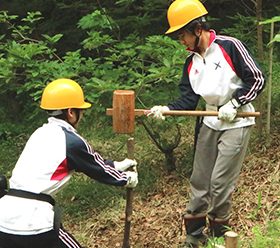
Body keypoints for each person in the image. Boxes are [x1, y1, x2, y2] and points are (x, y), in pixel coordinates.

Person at [147, 0, 265, 247]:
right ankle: (194, 235)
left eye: (183, 35)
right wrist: (167, 109)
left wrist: (234, 103)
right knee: (200, 180)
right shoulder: (191, 62)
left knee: (220, 182)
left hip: (238, 120)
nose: (182, 41)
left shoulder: (229, 47)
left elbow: (256, 79)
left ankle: (219, 235)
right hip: (210, 120)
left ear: (197, 29)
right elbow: (188, 98)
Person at [0, 78, 138, 248]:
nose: (82, 116)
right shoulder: (71, 140)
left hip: (4, 218)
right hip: (34, 222)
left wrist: (117, 165)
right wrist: (127, 179)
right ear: (71, 112)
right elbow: (99, 171)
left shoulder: (40, 133)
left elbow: (91, 163)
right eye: (81, 111)